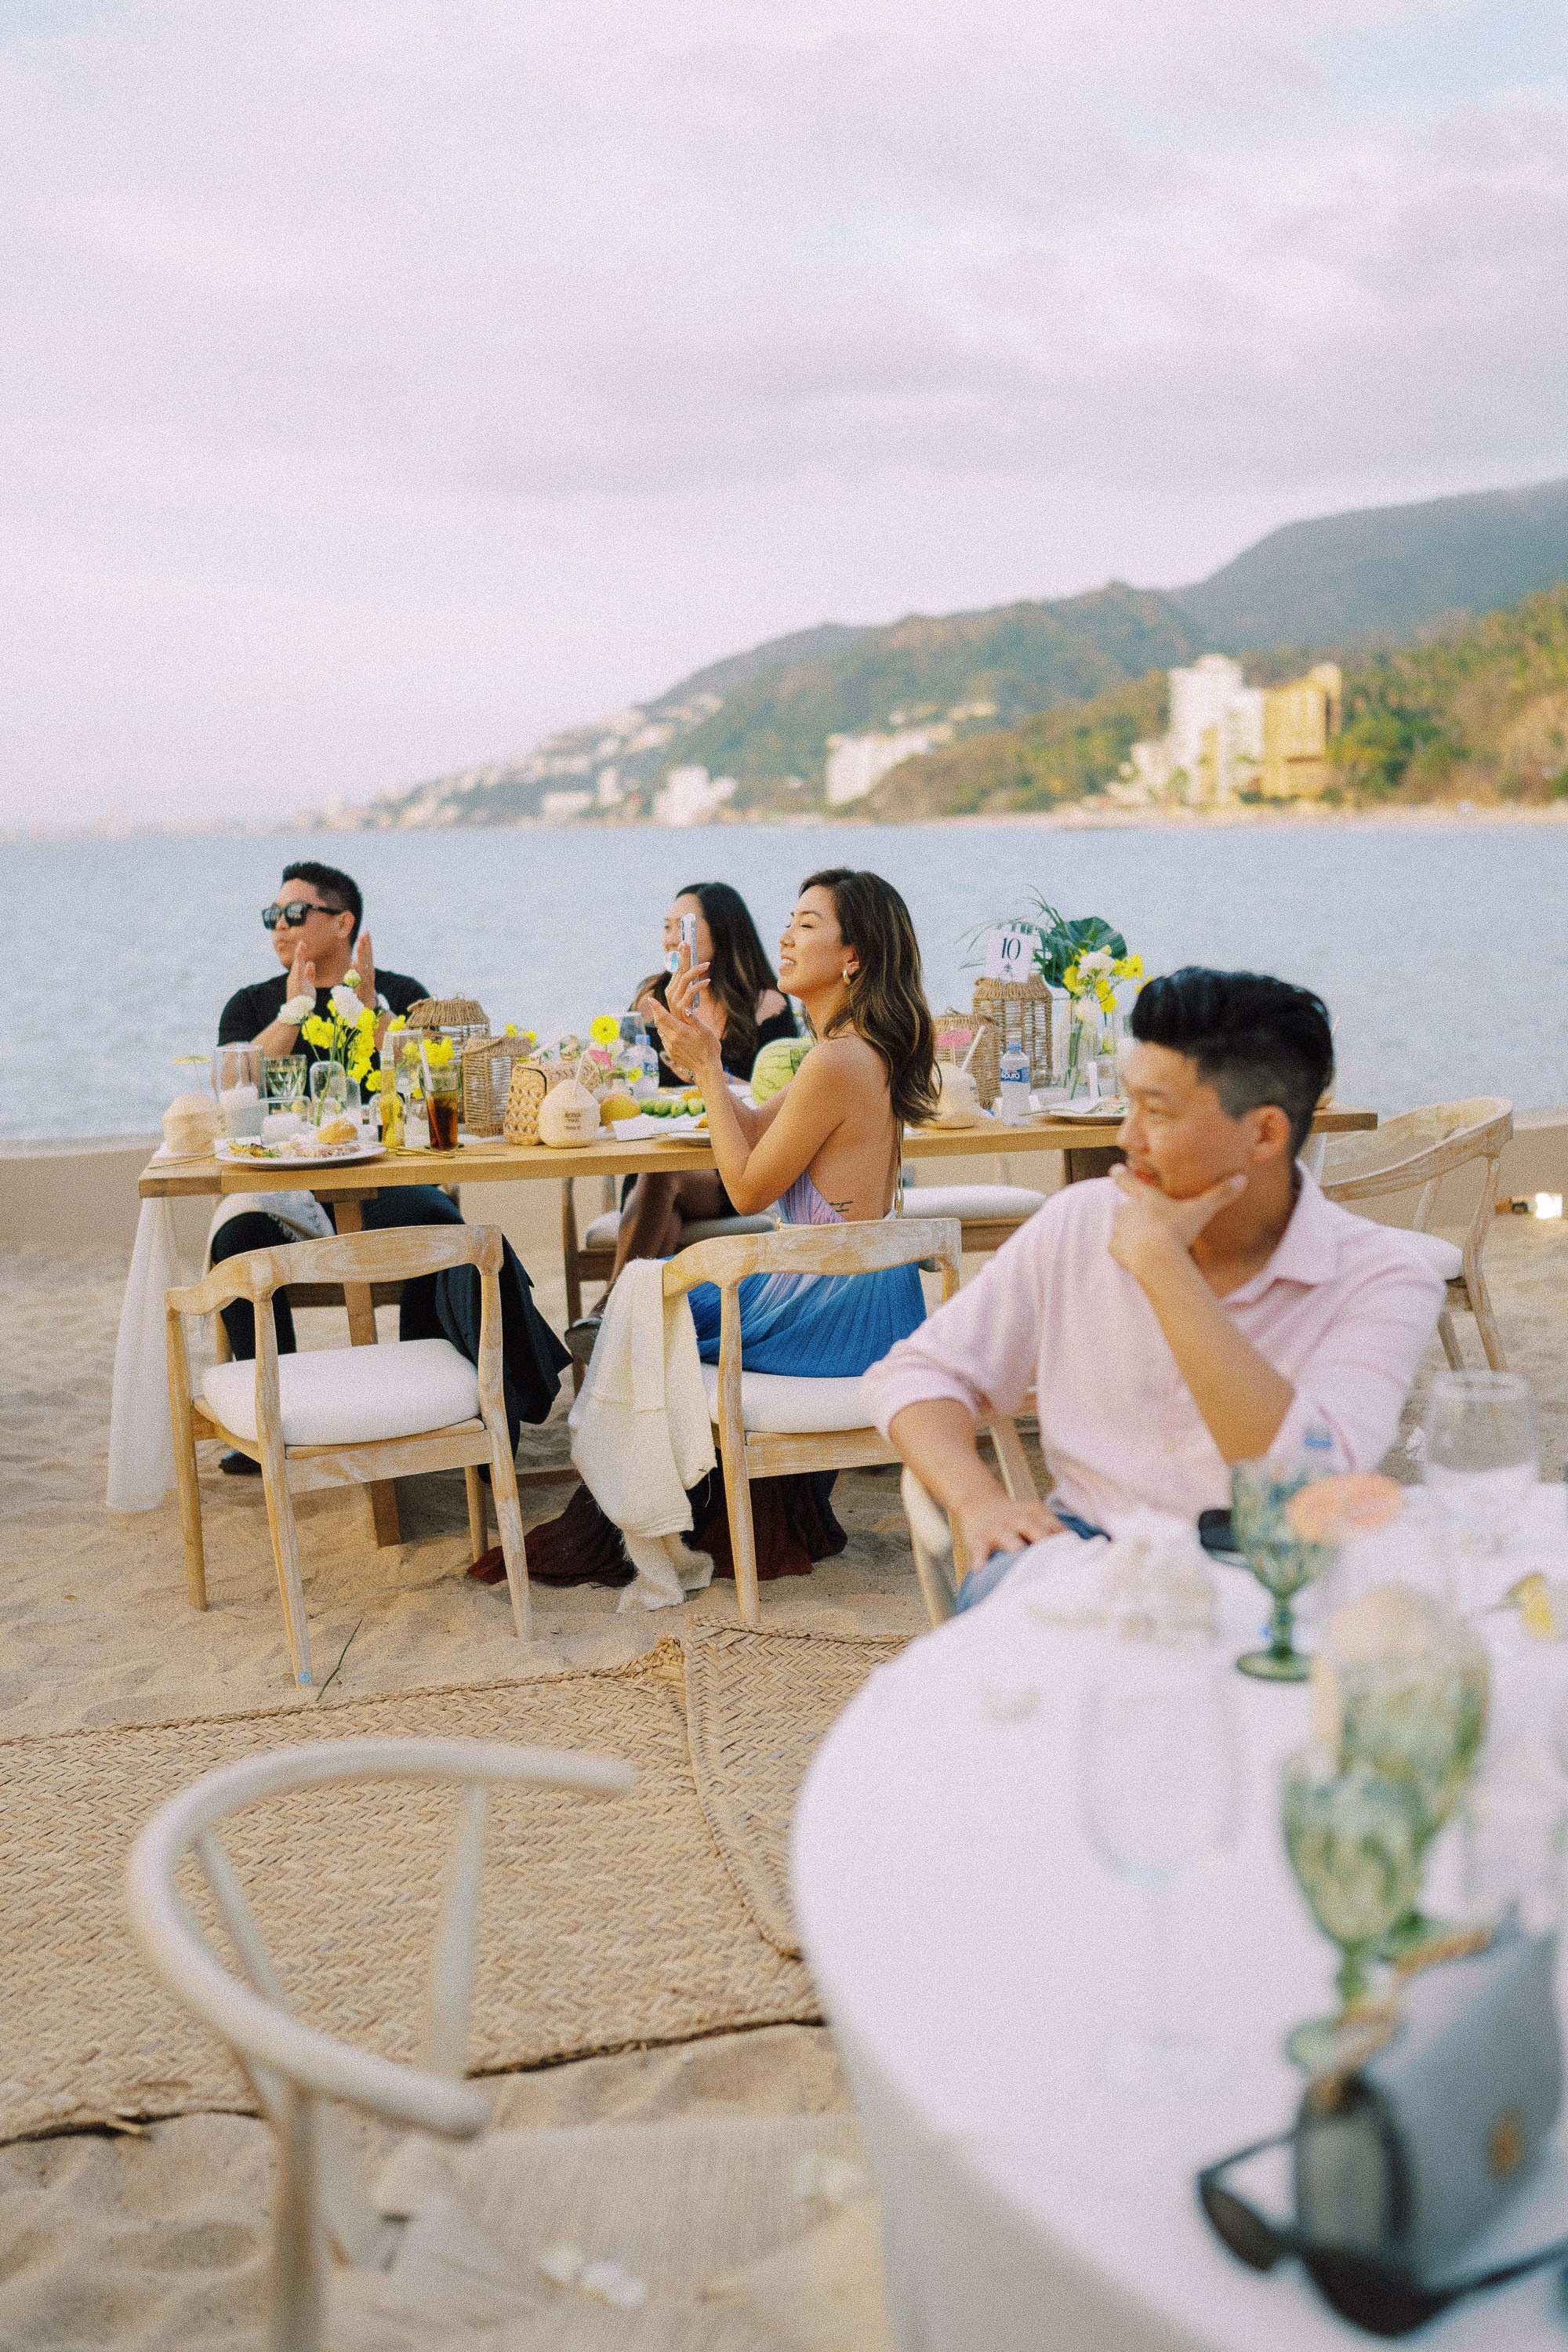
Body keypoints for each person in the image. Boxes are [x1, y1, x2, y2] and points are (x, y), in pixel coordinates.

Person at [864, 967, 1446, 1606]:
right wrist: (979, 1502)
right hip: (1082, 1558)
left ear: (1265, 1134)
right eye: (1129, 1101)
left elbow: (1306, 1482)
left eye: (1158, 1112)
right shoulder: (1081, 1220)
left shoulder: (1382, 1279)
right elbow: (916, 1373)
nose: (1126, 1137)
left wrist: (1164, 1268)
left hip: (1273, 1575)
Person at [524, 867, 939, 1591]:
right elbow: (749, 1133)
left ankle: (660, 1520)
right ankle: (710, 1510)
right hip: (858, 1290)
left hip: (830, 1304)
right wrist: (700, 1052)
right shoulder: (848, 1052)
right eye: (790, 919)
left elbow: (747, 1185)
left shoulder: (838, 1060)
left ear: (854, 957)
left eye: (808, 924)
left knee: (646, 1304)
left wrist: (711, 1069)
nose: (784, 935)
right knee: (649, 1300)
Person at [209, 858, 565, 1468]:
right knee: (235, 1239)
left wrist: (374, 1013)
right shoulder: (251, 1005)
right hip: (285, 1190)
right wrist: (294, 1013)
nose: (280, 927)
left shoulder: (401, 994)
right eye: (272, 916)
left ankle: (436, 1399)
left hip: (386, 1181)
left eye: (296, 914)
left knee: (446, 1230)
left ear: (343, 921)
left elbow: (432, 1087)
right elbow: (231, 1090)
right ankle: (277, 1406)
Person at [565, 880, 797, 1356]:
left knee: (662, 1180)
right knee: (661, 1187)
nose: (672, 939)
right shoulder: (654, 997)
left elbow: (776, 1098)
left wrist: (708, 1073)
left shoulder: (764, 1004)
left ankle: (609, 1313)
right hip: (660, 1162)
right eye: (667, 928)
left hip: (731, 1170)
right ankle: (632, 1335)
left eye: (685, 927)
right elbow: (623, 1078)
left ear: (722, 932)